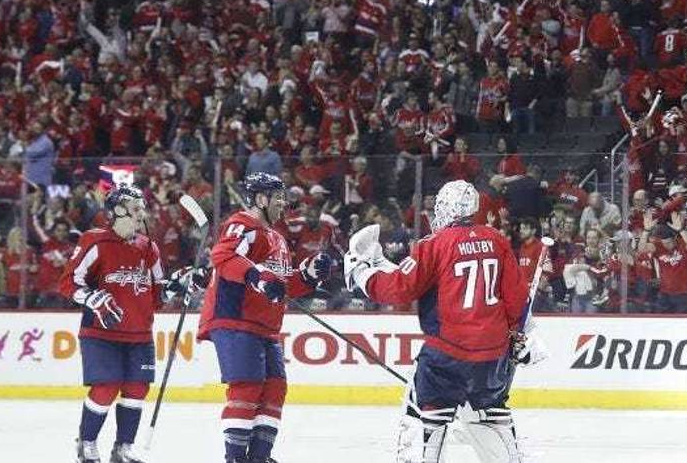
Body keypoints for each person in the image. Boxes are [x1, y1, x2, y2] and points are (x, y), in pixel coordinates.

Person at [344, 179, 541, 462]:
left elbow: (399, 288)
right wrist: (519, 337)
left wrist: (362, 273)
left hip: (446, 356)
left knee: (422, 417)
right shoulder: (496, 239)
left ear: (447, 209)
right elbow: (517, 300)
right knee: (490, 417)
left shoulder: (434, 244)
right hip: (492, 357)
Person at [198, 172, 333, 463]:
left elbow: (281, 286)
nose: (284, 203)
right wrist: (258, 277)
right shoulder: (242, 224)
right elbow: (223, 257)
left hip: (264, 326)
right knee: (247, 385)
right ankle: (235, 458)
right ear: (261, 198)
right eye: (278, 197)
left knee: (274, 387)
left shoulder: (278, 239)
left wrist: (309, 275)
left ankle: (259, 457)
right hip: (236, 319)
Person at [60, 184, 165, 462]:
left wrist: (185, 284)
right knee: (106, 387)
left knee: (137, 389)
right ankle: (87, 443)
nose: (141, 212)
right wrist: (91, 297)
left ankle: (123, 448)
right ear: (118, 210)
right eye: (135, 207)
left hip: (140, 334)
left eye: (142, 206)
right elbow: (68, 282)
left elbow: (160, 293)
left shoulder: (149, 247)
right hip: (101, 332)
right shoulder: (94, 241)